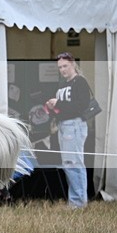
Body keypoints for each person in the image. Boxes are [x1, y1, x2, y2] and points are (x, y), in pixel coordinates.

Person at [45, 52, 92, 209]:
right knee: (68, 163)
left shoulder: (80, 82)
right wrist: (53, 108)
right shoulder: (63, 84)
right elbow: (64, 108)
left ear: (73, 64)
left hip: (75, 125)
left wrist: (59, 103)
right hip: (63, 125)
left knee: (74, 162)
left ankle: (78, 202)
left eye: (65, 66)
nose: (62, 69)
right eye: (59, 67)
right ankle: (76, 200)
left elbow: (81, 106)